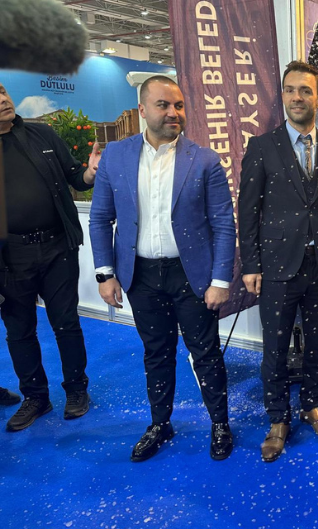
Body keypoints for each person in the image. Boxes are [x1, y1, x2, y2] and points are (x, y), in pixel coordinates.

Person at [89, 76, 236, 462]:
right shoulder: (116, 156)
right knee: (156, 352)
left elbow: (223, 223)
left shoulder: (204, 160)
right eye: (163, 105)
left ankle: (220, 423)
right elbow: (101, 218)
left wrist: (220, 280)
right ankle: (160, 423)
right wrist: (105, 273)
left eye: (179, 105)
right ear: (142, 110)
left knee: (205, 353)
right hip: (140, 276)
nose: (174, 112)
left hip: (192, 276)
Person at [239, 61, 318, 462]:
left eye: (305, 90)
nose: (296, 97)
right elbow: (248, 210)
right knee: (275, 347)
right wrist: (251, 264)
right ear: (282, 95)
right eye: (289, 90)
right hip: (277, 266)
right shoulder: (261, 147)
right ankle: (278, 418)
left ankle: (312, 404)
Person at [0, 81, 98, 431]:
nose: (2, 101)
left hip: (58, 247)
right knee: (19, 331)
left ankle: (76, 390)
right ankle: (36, 398)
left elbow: (76, 177)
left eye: (2, 92)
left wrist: (90, 172)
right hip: (9, 257)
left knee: (66, 322)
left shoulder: (42, 134)